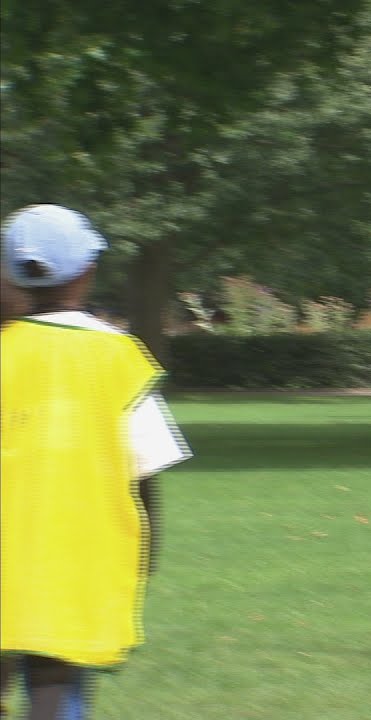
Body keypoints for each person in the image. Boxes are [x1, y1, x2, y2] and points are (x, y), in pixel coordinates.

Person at [0, 204, 192, 719]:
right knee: (56, 685)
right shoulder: (118, 358)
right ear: (88, 272)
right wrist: (146, 558)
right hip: (76, 563)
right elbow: (145, 473)